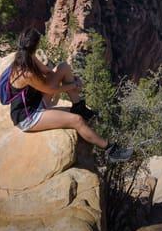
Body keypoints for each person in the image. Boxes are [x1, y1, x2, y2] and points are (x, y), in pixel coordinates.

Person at [7, 29, 132, 163]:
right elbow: (51, 90)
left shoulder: (27, 56)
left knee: (64, 67)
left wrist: (70, 78)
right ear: (35, 45)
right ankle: (111, 150)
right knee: (77, 121)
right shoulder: (26, 72)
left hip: (35, 101)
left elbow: (48, 72)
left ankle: (78, 105)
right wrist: (73, 85)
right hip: (27, 116)